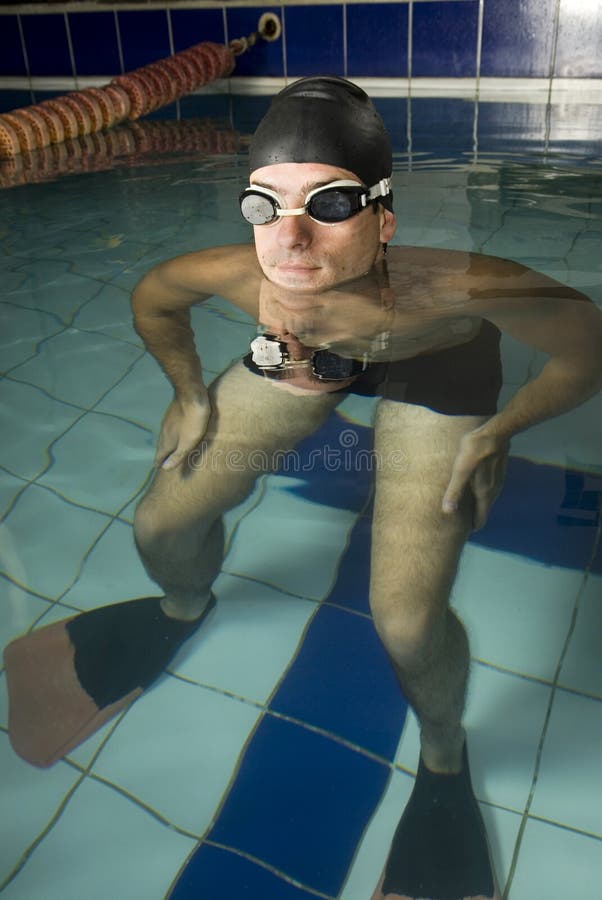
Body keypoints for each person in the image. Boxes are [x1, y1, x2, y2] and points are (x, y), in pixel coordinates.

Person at [4, 77, 602, 900]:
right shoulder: (249, 281)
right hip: (301, 352)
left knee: (404, 617)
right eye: (265, 205)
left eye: (328, 205)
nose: (290, 238)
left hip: (438, 366)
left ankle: (442, 755)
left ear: (383, 218)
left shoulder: (461, 287)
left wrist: (500, 430)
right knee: (161, 526)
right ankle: (181, 609)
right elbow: (154, 303)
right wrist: (190, 391)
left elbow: (587, 346)